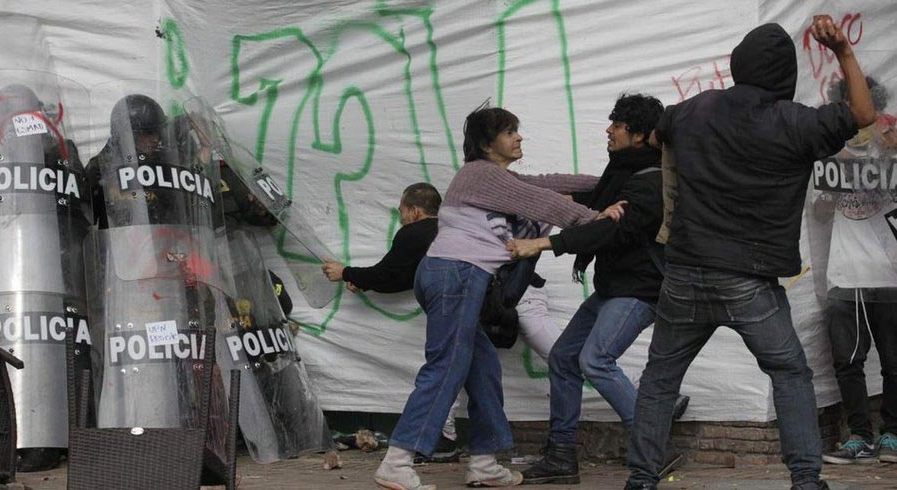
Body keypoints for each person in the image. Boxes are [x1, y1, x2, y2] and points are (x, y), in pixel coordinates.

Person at [623, 16, 874, 490]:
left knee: (660, 379)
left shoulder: (693, 110)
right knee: (790, 373)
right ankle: (805, 480)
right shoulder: (796, 122)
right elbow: (861, 114)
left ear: (738, 64)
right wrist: (842, 50)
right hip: (749, 281)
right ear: (785, 75)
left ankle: (640, 479)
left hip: (684, 275)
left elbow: (655, 138)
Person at [373, 105, 623, 490]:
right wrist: (597, 217)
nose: (518, 137)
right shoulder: (478, 174)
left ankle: (485, 461)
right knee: (447, 365)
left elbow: (547, 183)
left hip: (456, 276)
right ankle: (399, 458)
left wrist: (611, 181)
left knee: (483, 367)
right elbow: (545, 202)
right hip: (453, 274)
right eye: (509, 133)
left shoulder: (500, 178)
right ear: (488, 144)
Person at [509, 93, 687, 484]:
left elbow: (611, 228)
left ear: (639, 134)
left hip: (640, 291)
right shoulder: (619, 175)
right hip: (614, 287)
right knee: (564, 359)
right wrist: (526, 194)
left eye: (617, 124)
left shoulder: (652, 180)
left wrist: (544, 243)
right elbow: (593, 204)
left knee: (596, 360)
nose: (609, 130)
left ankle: (653, 449)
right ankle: (561, 456)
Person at [813, 77, 897, 465]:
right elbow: (819, 213)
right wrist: (836, 180)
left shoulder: (891, 148)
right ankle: (860, 435)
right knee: (848, 362)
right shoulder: (832, 154)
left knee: (894, 362)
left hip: (890, 275)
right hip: (845, 275)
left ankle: (892, 435)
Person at [322, 182, 441, 294]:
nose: (401, 220)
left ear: (414, 211)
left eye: (402, 212)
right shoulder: (446, 231)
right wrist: (362, 281)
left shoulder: (414, 232)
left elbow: (386, 276)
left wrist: (344, 273)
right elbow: (406, 278)